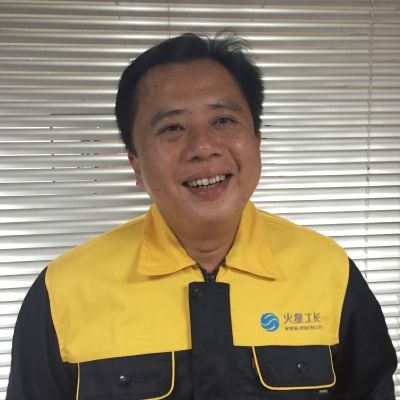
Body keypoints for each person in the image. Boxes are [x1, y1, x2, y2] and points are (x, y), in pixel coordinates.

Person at [6, 31, 397, 400]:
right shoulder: (64, 292)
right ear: (136, 166)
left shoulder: (329, 272)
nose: (203, 147)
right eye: (172, 127)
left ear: (257, 143)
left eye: (223, 120)